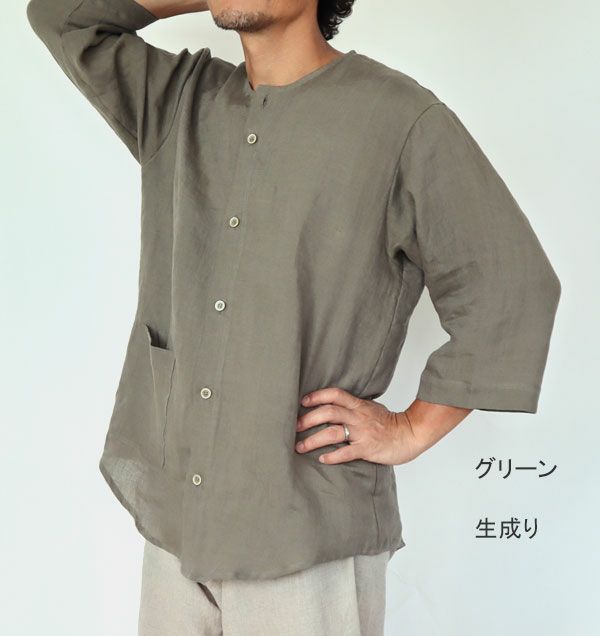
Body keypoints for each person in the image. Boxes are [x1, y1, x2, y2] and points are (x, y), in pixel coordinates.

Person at [26, 1, 562, 634]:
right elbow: (62, 15)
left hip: (303, 525)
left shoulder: (399, 121)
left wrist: (411, 428)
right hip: (178, 517)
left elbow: (511, 284)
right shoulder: (177, 101)